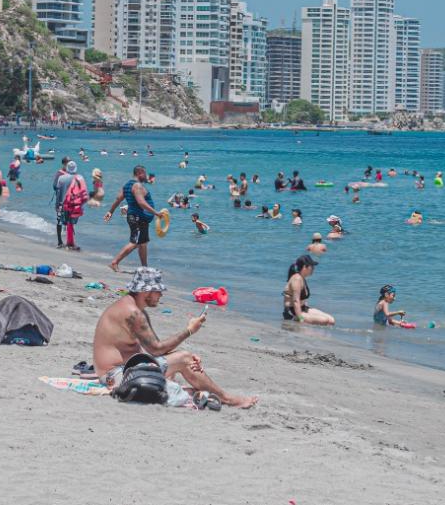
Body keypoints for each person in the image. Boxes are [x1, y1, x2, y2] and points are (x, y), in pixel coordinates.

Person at [91, 267, 257, 408]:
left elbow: (152, 350)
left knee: (182, 361)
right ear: (146, 291)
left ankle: (200, 386)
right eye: (158, 290)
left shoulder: (130, 307)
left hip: (117, 371)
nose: (161, 294)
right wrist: (189, 331)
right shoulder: (133, 313)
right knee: (184, 359)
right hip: (117, 376)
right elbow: (156, 349)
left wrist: (179, 355)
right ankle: (228, 399)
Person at [105, 165, 158, 272]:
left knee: (143, 243)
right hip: (137, 217)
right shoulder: (137, 186)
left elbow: (118, 199)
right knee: (135, 242)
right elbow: (141, 202)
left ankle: (144, 268)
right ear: (139, 173)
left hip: (138, 217)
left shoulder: (127, 185)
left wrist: (110, 211)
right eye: (144, 173)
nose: (146, 175)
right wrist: (156, 213)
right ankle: (114, 262)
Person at [283, 254, 334, 325]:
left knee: (331, 320)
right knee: (324, 320)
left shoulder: (302, 278)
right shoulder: (296, 279)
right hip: (293, 311)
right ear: (305, 267)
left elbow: (302, 299)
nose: (313, 268)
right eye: (312, 266)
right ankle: (294, 319)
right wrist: (300, 318)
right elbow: (295, 301)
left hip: (303, 308)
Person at [56, 161, 88, 251]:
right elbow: (83, 192)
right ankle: (70, 243)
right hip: (75, 204)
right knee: (71, 223)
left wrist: (57, 204)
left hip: (63, 203)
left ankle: (64, 242)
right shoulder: (79, 178)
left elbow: (58, 193)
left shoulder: (61, 178)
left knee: (62, 222)